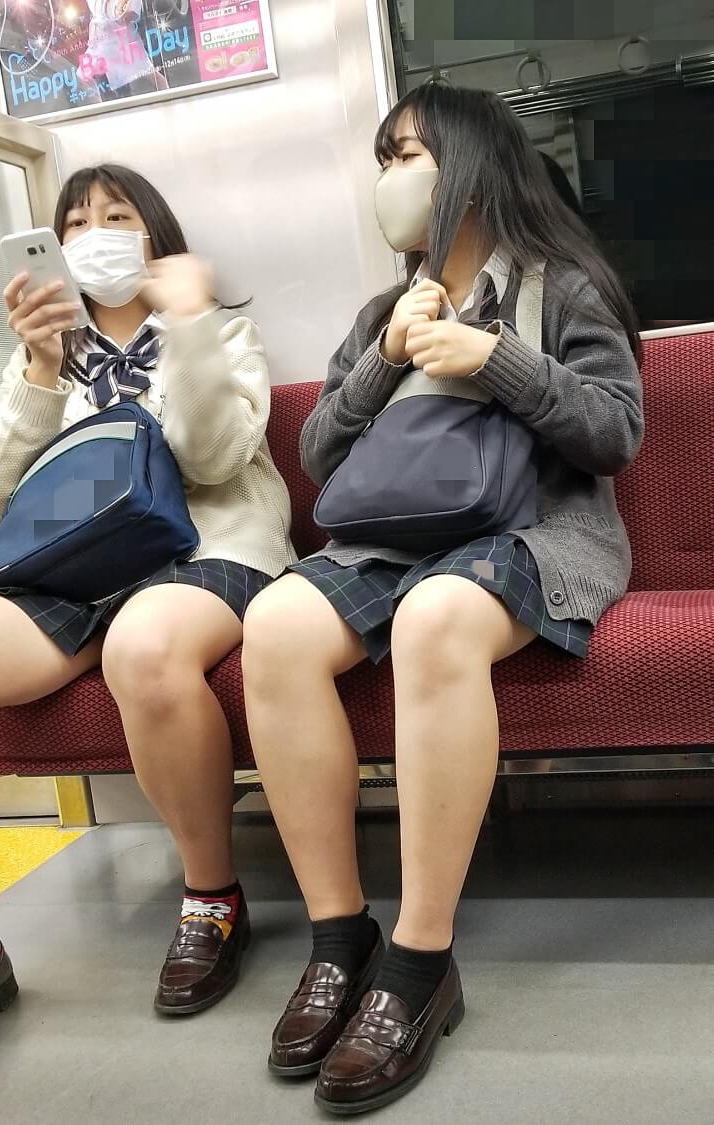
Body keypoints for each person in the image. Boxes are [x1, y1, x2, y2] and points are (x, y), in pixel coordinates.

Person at [241, 83, 644, 1115]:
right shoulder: (384, 311)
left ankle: (420, 961)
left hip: (534, 533)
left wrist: (498, 359)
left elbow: (613, 435)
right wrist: (384, 361)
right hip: (389, 541)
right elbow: (317, 456)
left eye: (408, 155)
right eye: (384, 159)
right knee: (275, 626)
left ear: (471, 163)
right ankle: (340, 935)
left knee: (435, 618)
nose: (392, 178)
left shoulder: (562, 288)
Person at [0, 163, 294, 1078]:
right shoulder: (51, 355)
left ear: (155, 237)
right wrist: (39, 369)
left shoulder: (221, 330)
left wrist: (187, 325)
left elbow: (215, 456)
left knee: (145, 644)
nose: (94, 234)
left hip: (206, 548)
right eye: (74, 223)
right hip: (80, 568)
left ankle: (211, 898)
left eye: (117, 216)